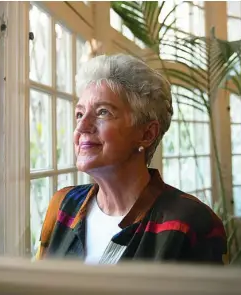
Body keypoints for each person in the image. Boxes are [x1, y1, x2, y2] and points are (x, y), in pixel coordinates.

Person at [35, 54, 227, 265]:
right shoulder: (63, 205)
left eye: (102, 112)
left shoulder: (191, 222)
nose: (81, 127)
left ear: (147, 134)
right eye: (80, 114)